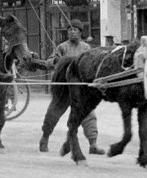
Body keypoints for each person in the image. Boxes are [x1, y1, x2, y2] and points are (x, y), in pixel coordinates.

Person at [39, 19, 105, 155]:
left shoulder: (86, 48)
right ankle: (44, 138)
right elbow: (49, 61)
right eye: (70, 29)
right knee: (53, 113)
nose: (72, 31)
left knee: (89, 115)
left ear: (81, 32)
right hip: (64, 89)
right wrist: (55, 61)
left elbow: (93, 65)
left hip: (82, 90)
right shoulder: (62, 47)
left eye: (75, 29)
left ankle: (93, 144)